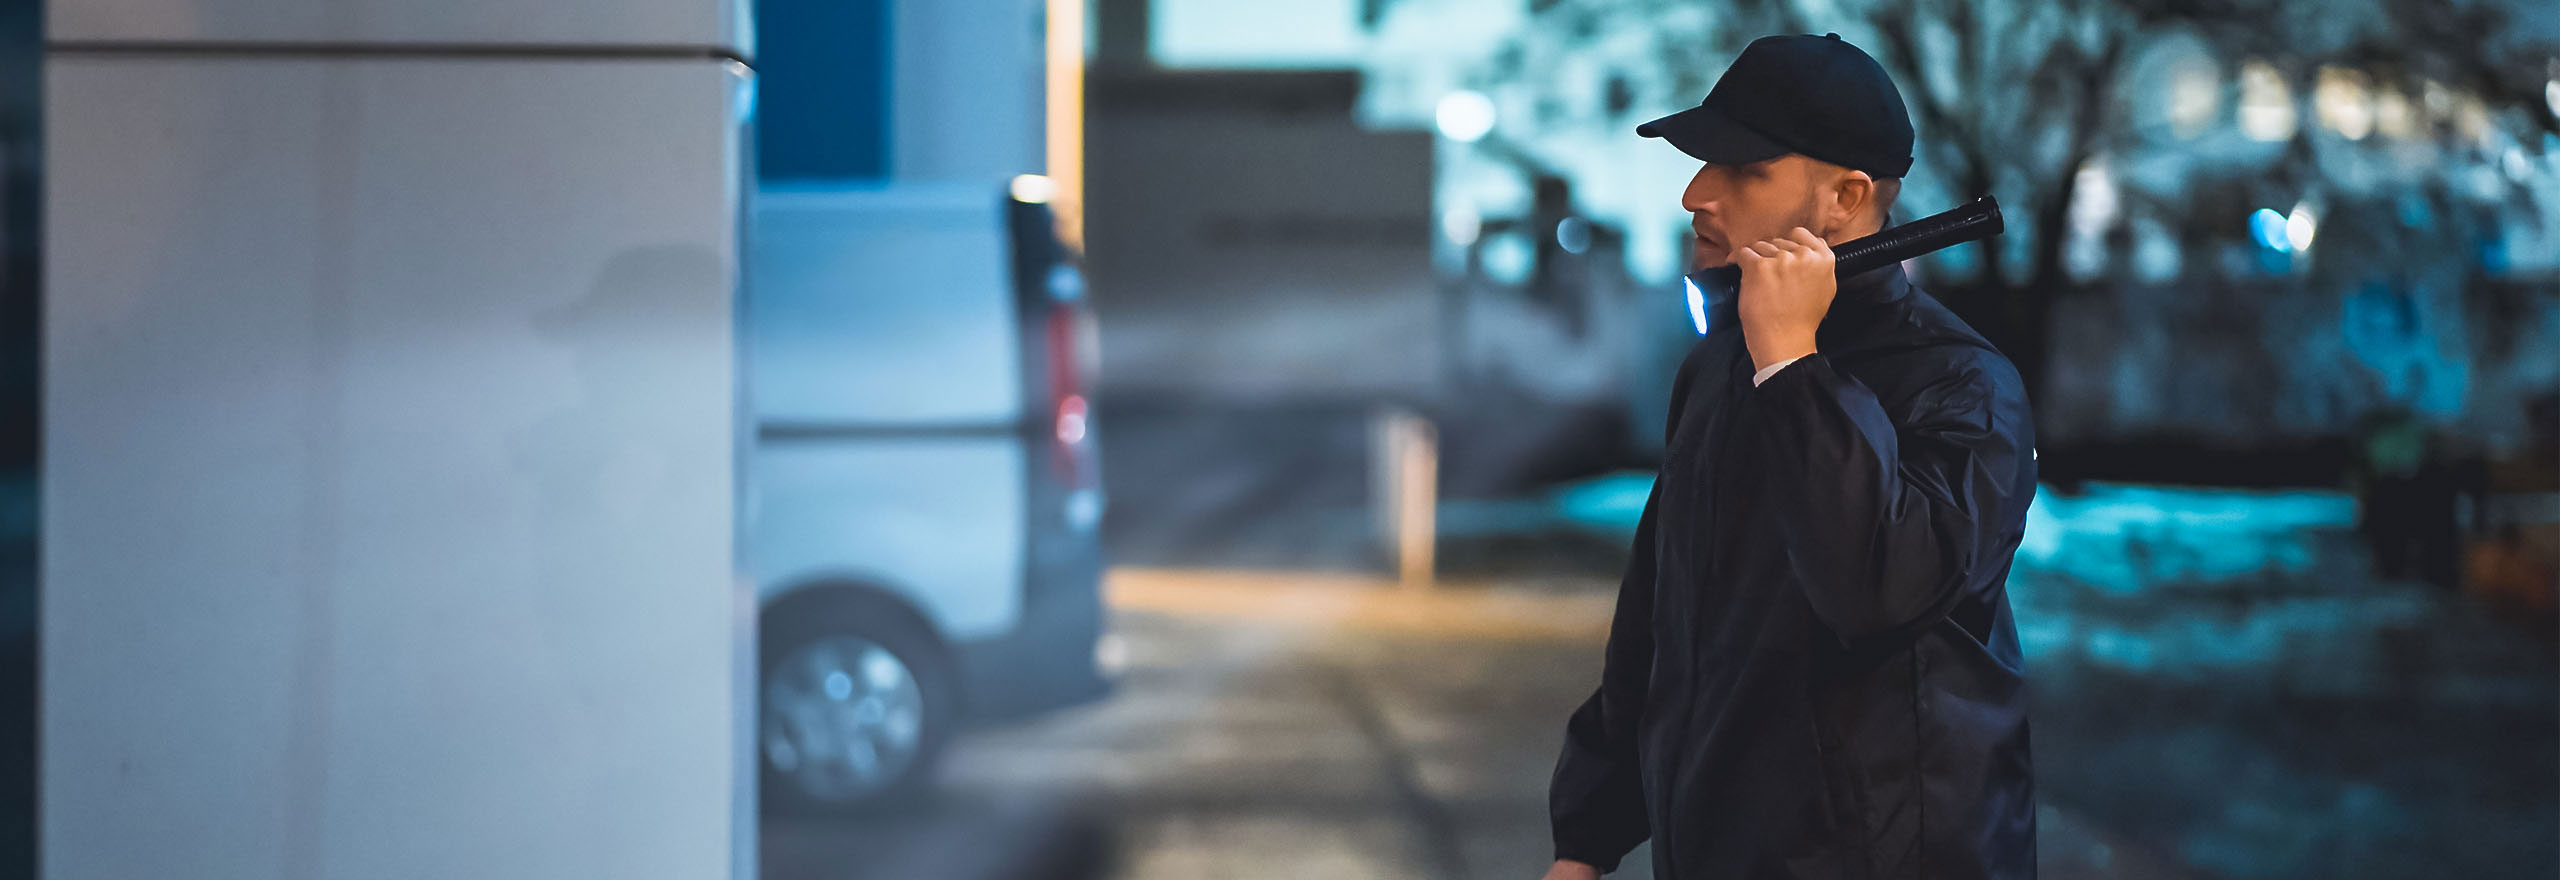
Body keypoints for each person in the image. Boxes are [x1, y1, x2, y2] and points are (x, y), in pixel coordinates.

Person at [1543, 32, 2041, 879]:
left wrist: (1794, 365)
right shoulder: (1720, 369)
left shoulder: (1961, 386)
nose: (1697, 194)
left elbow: (1876, 590)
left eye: (1742, 170)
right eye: (1702, 164)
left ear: (1846, 197)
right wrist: (1586, 839)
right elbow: (1661, 621)